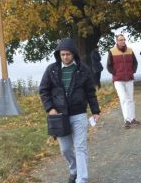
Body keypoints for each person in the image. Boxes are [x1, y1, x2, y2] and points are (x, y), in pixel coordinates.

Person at [39, 38, 100, 183]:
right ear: (59, 55)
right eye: (62, 54)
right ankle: (74, 170)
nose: (65, 57)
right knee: (65, 149)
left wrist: (95, 111)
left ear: (73, 54)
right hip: (60, 116)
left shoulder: (83, 70)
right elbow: (43, 90)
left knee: (80, 147)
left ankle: (82, 179)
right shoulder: (51, 70)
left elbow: (90, 92)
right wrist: (50, 108)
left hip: (79, 114)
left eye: (68, 54)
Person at [107, 34, 140, 128]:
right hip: (118, 79)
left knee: (130, 99)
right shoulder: (112, 51)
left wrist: (132, 71)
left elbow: (135, 63)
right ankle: (127, 120)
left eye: (124, 39)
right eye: (120, 40)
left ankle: (133, 118)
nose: (123, 41)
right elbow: (109, 66)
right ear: (117, 41)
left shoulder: (130, 50)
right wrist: (115, 73)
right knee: (123, 99)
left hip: (129, 78)